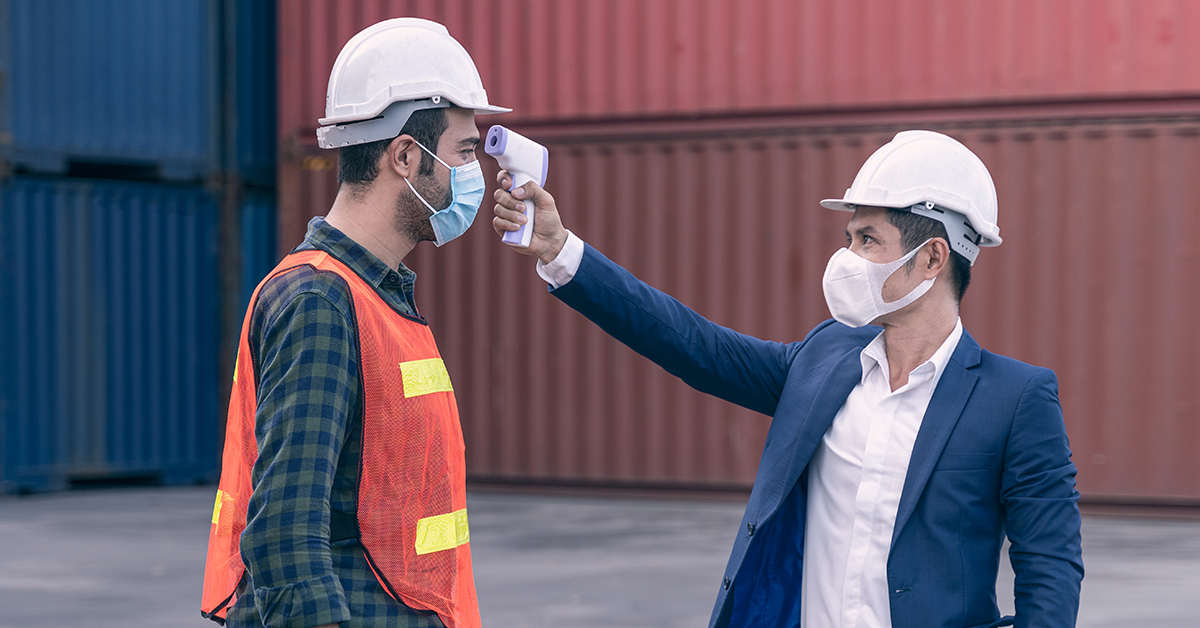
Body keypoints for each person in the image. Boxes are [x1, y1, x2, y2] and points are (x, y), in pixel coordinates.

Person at [492, 130, 1083, 628]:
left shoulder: (1015, 399)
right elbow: (696, 346)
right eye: (849, 237)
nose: (845, 256)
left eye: (866, 239)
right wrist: (562, 251)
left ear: (932, 258)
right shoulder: (826, 358)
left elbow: (1050, 565)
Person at [201, 18, 508, 628]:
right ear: (403, 156)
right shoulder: (320, 300)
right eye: (465, 152)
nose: (477, 173)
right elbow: (285, 539)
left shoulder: (379, 297)